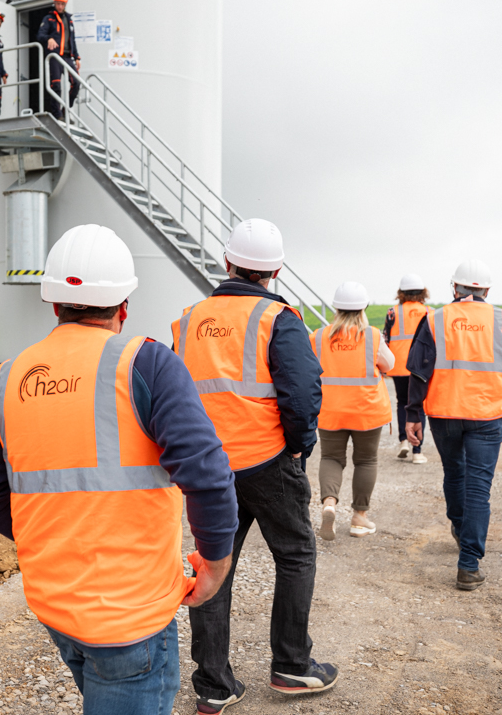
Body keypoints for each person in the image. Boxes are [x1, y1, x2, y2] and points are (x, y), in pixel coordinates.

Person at [0, 223, 239, 715]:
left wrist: (49, 537)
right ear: (123, 307)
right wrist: (215, 564)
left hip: (55, 604)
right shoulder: (146, 364)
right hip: (130, 614)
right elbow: (208, 476)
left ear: (54, 305)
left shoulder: (6, 378)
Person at [171, 218, 337, 713]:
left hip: (207, 468)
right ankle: (291, 666)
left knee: (213, 564)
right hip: (266, 462)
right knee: (295, 554)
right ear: (276, 272)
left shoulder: (188, 320)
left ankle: (214, 686)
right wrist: (299, 446)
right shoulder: (279, 319)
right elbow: (303, 394)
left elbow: (175, 395)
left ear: (227, 263)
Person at [405, 259, 502, 591]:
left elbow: (418, 369)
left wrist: (413, 415)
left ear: (455, 288)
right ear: (486, 290)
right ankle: (468, 565)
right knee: (478, 488)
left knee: (454, 473)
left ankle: (459, 527)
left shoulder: (435, 318)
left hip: (443, 414)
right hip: (487, 417)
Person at [311, 282, 394, 542]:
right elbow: (389, 364)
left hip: (330, 410)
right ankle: (359, 518)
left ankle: (329, 504)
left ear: (336, 308)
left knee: (331, 458)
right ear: (364, 308)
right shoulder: (372, 336)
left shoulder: (318, 337)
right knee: (366, 460)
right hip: (366, 411)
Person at [384, 274, 435, 464]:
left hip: (399, 366)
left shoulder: (392, 312)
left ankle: (403, 441)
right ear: (423, 292)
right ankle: (417, 451)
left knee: (402, 402)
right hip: (421, 367)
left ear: (401, 293)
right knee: (418, 405)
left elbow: (386, 339)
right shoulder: (430, 312)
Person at [36, 0, 79, 120]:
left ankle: (66, 109)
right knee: (56, 85)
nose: (59, 6)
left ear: (65, 4)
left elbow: (72, 40)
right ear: (54, 3)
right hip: (54, 57)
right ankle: (57, 114)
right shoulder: (48, 18)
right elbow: (40, 35)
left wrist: (77, 57)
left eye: (62, 4)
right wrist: (49, 38)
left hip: (67, 57)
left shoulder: (69, 20)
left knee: (76, 83)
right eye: (57, 3)